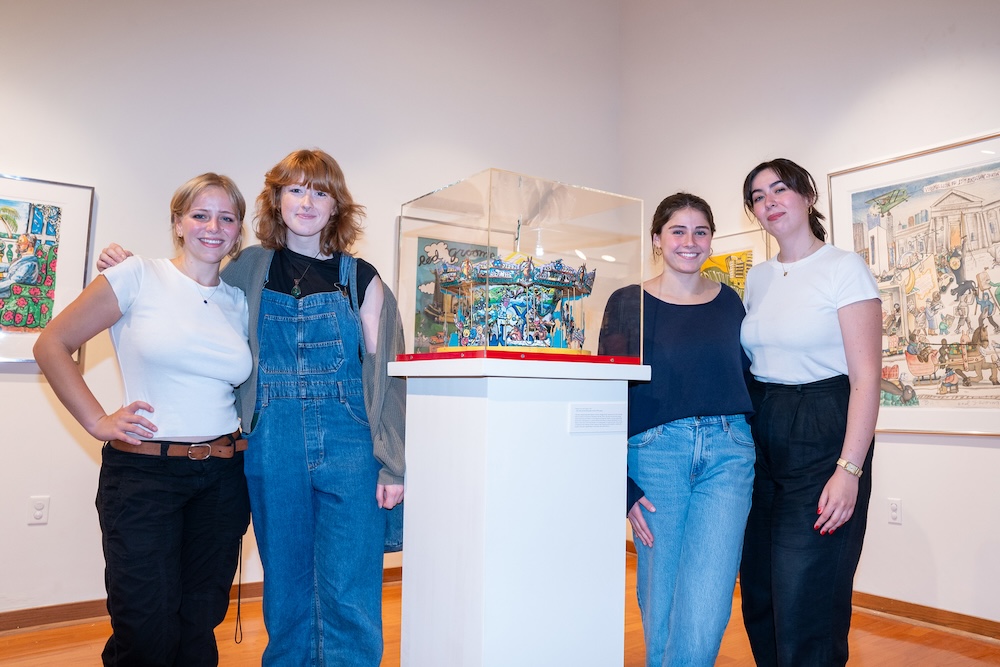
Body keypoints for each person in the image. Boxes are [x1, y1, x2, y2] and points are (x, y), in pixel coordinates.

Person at [99, 149, 405, 666]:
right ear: (277, 199)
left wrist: (393, 462)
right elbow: (192, 292)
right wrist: (130, 269)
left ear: (336, 207)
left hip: (351, 446)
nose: (307, 201)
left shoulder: (362, 278)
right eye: (296, 189)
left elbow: (388, 378)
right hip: (272, 444)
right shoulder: (248, 269)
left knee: (350, 589)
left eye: (321, 191)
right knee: (285, 586)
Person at [34, 173, 252, 666]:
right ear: (178, 223)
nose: (212, 227)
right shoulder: (136, 276)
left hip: (222, 477)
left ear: (239, 230)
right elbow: (51, 344)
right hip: (144, 477)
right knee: (145, 629)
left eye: (226, 217)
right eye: (200, 214)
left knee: (198, 625)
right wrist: (96, 421)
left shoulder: (239, 302)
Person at [598, 192, 755, 667]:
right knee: (660, 595)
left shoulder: (731, 303)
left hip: (729, 453)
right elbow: (609, 394)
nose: (690, 241)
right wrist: (622, 486)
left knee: (708, 597)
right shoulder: (627, 303)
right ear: (657, 240)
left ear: (711, 240)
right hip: (655, 456)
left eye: (701, 231)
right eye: (678, 231)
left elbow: (748, 379)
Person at [740, 158, 881, 666]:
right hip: (764, 430)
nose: (769, 201)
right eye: (758, 196)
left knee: (807, 599)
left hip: (824, 429)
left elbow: (866, 379)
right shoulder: (757, 279)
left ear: (807, 196)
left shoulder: (844, 268)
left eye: (780, 189)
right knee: (761, 593)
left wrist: (849, 471)